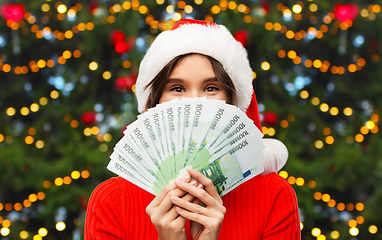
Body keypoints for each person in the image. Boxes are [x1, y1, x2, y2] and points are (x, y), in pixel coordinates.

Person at [84, 19, 301, 240]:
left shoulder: (274, 195)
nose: (194, 103)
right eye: (177, 88)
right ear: (155, 103)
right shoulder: (111, 200)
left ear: (232, 102)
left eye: (211, 88)